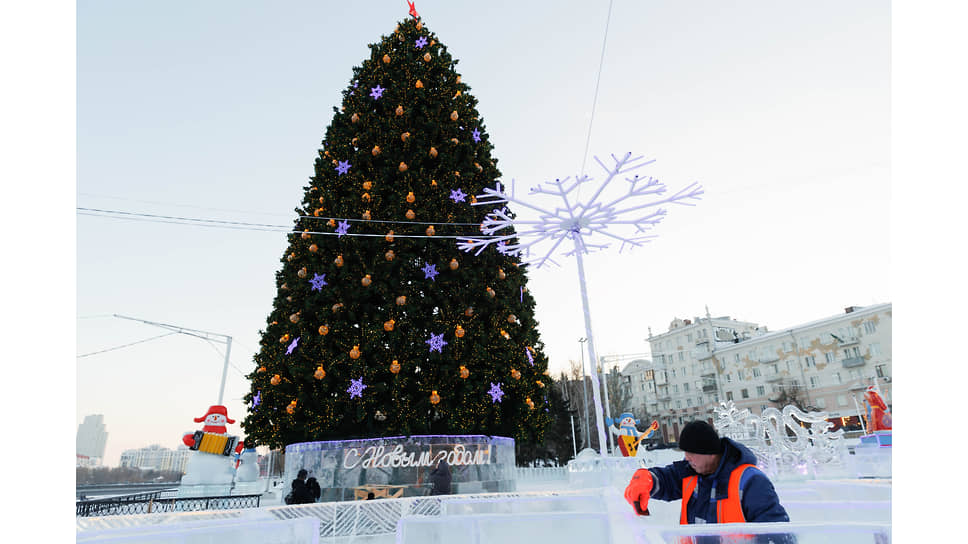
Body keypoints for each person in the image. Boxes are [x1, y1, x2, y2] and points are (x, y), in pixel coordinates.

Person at [624, 421, 790, 529]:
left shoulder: (751, 482)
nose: (686, 458)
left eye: (691, 452)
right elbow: (666, 479)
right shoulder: (692, 471)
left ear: (710, 453)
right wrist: (646, 480)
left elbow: (776, 533)